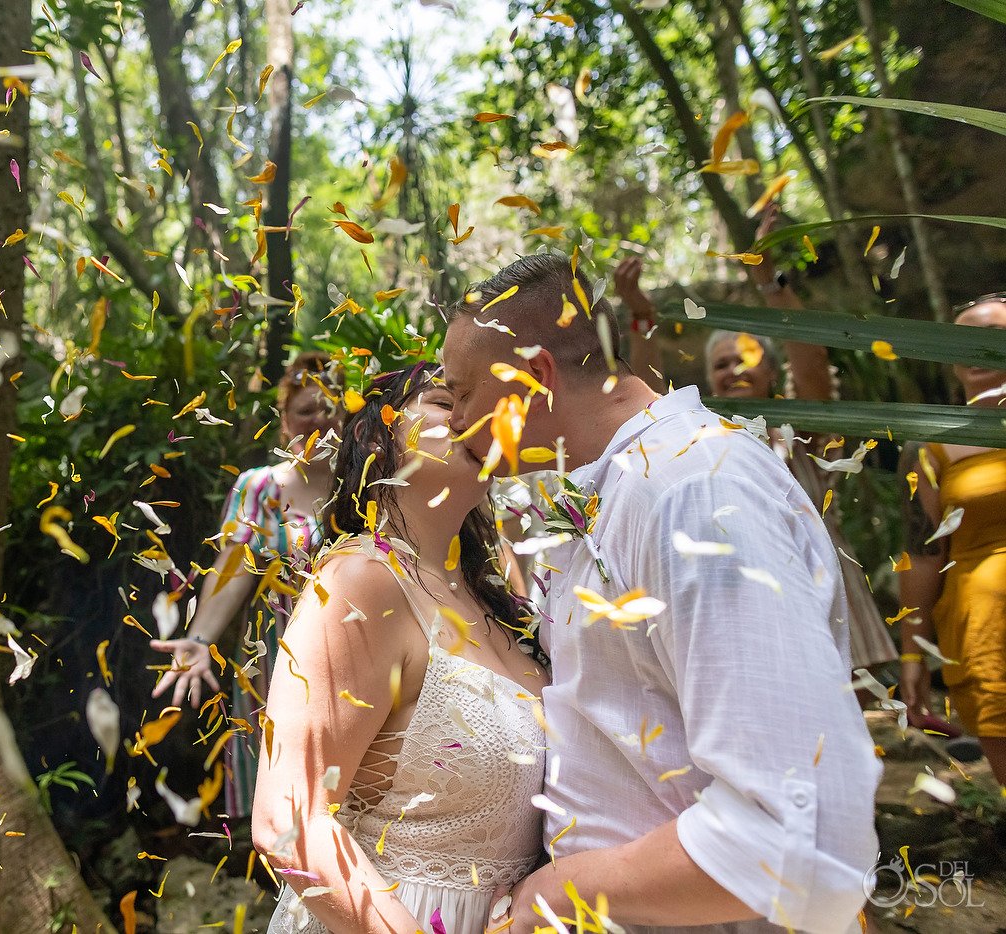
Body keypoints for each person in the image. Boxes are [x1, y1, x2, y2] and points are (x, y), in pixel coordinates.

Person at [443, 252, 881, 933]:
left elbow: (796, 842)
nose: (453, 420)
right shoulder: (615, 488)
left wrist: (555, 894)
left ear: (531, 377)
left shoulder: (694, 491)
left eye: (462, 391)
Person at [252, 363, 548, 933]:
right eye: (444, 401)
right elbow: (288, 817)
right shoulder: (360, 580)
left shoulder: (500, 603)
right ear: (379, 437)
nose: (471, 416)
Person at [615, 208, 898, 681]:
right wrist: (642, 317)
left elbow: (810, 357)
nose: (734, 371)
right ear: (709, 380)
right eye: (722, 365)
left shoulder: (799, 426)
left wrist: (767, 278)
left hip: (819, 580)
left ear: (771, 372)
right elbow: (645, 403)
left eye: (745, 359)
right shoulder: (700, 436)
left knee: (847, 718)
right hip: (746, 587)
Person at [151, 352, 343, 818]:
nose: (318, 419)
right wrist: (199, 638)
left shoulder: (365, 482)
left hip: (353, 649)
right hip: (276, 652)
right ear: (283, 421)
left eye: (328, 409)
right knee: (287, 796)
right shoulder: (260, 487)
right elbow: (233, 569)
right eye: (305, 411)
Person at [898, 294, 1006, 782]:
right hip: (985, 635)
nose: (977, 348)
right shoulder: (929, 445)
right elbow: (922, 556)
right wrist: (913, 651)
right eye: (963, 338)